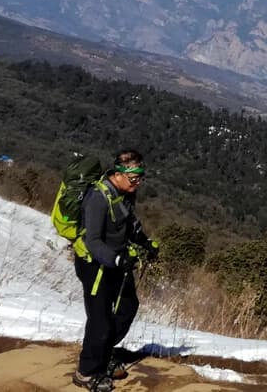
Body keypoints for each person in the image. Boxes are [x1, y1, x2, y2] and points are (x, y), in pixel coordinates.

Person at [72, 149, 160, 391]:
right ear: (118, 174)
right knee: (100, 320)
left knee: (127, 308)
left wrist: (145, 242)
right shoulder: (98, 198)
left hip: (118, 263)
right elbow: (93, 241)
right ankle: (86, 373)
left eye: (141, 176)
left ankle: (105, 353)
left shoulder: (125, 195)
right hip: (95, 266)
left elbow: (128, 223)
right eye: (134, 177)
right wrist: (117, 260)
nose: (138, 182)